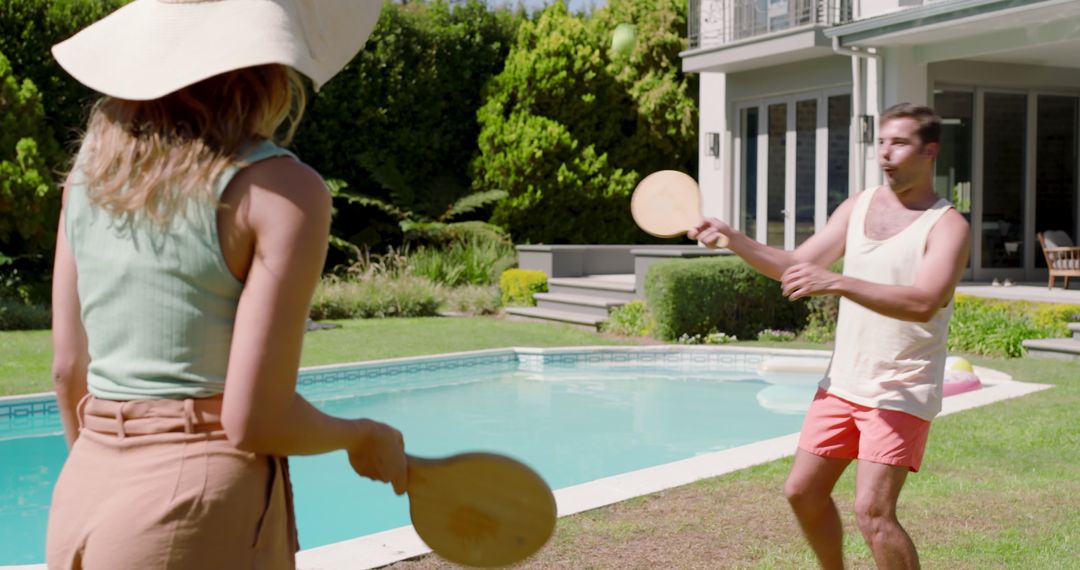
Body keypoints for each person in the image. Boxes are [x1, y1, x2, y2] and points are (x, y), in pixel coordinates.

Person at [46, 1, 406, 568]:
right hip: (192, 504)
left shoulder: (88, 181)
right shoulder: (282, 192)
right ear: (266, 62)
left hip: (81, 493)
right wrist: (361, 435)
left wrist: (107, 470)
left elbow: (69, 370)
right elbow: (255, 417)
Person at [689, 103, 970, 569]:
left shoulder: (947, 225)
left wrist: (837, 282)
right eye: (881, 142)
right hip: (842, 383)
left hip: (900, 387)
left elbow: (924, 300)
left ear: (930, 152)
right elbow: (798, 264)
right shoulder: (858, 206)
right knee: (802, 491)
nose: (885, 153)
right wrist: (734, 238)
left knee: (874, 513)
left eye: (899, 143)